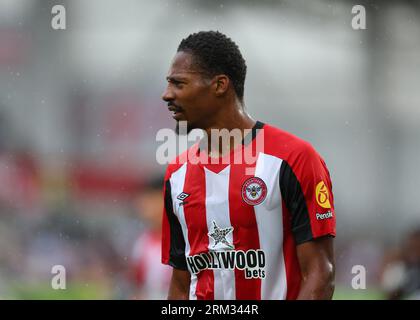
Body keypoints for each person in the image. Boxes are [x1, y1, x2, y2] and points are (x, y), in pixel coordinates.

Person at [160, 31, 336, 300]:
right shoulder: (177, 174)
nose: (166, 95)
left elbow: (319, 273)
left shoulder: (293, 159)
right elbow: (182, 284)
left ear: (220, 85)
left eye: (179, 84)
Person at [130, 175, 172, 299]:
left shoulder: (185, 242)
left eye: (150, 200)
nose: (143, 206)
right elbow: (138, 287)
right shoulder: (142, 243)